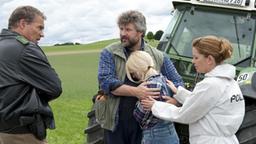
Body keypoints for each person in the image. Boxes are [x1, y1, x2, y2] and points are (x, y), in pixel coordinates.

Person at [96, 10, 183, 144]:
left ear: (140, 32)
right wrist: (137, 92)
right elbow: (106, 82)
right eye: (121, 29)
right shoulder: (109, 53)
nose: (123, 33)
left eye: (128, 29)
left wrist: (175, 101)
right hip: (115, 122)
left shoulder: (159, 56)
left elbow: (177, 82)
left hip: (146, 126)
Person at [141, 35, 245, 144]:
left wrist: (155, 106)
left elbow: (184, 115)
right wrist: (178, 92)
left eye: (196, 57)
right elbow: (203, 103)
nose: (193, 61)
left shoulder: (210, 85)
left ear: (209, 59)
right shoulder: (230, 82)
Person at [0, 6, 62, 144]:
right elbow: (54, 88)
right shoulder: (26, 49)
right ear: (23, 24)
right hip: (22, 134)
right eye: (39, 28)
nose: (42, 34)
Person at [125, 51, 180, 144]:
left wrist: (138, 99)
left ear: (138, 70)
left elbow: (140, 116)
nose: (134, 76)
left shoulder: (150, 85)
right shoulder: (163, 79)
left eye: (133, 72)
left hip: (156, 135)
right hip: (170, 131)